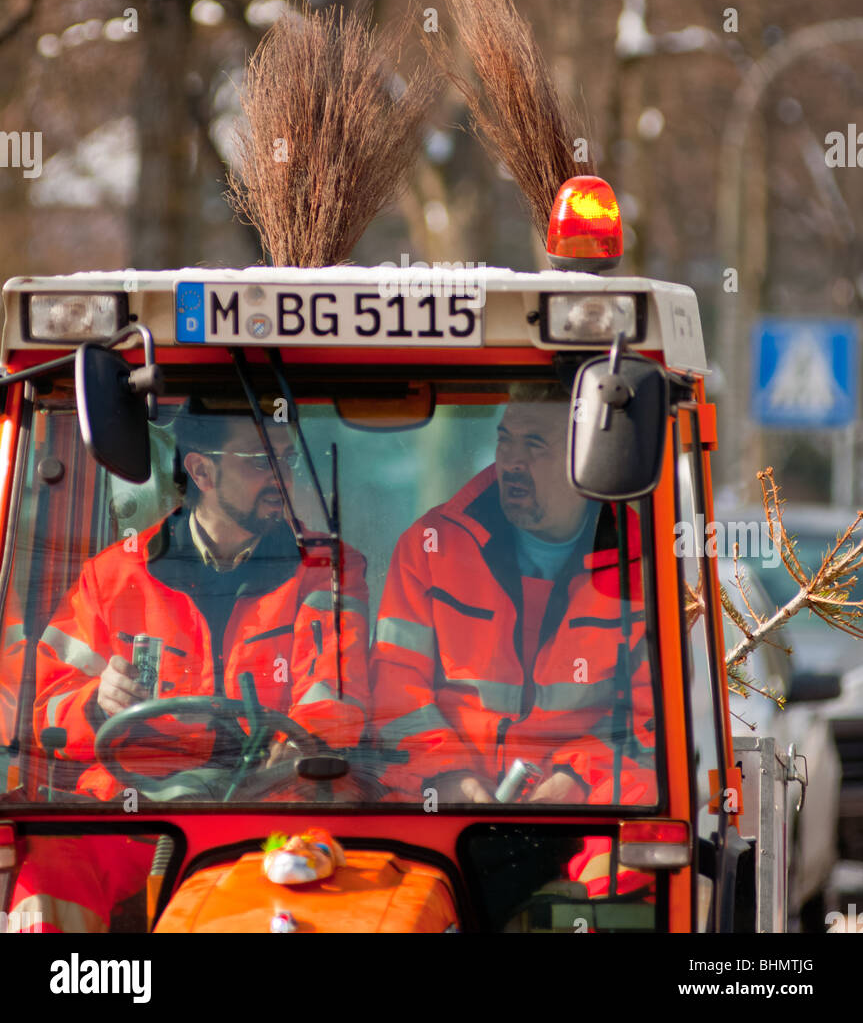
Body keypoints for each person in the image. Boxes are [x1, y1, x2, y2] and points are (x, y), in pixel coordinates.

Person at [9, 406, 369, 932]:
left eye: (286, 459)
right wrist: (94, 701)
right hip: (133, 811)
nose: (282, 477)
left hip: (271, 808)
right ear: (201, 472)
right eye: (260, 462)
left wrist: (305, 741)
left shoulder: (325, 568)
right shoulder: (111, 576)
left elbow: (333, 687)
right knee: (47, 874)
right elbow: (40, 711)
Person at [371, 382, 655, 806]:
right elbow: (396, 692)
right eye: (505, 441)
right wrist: (451, 777)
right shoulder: (431, 547)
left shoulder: (643, 566)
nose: (512, 462)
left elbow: (649, 719)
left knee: (633, 844)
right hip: (444, 806)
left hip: (585, 814)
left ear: (587, 460)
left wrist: (574, 777)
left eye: (534, 445)